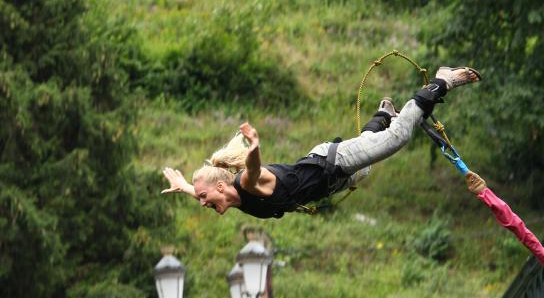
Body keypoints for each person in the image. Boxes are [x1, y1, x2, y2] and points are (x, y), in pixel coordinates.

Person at [162, 66, 481, 219]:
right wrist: (184, 186)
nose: (202, 202)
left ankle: (442, 80)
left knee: (397, 140)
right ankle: (383, 115)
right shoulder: (230, 195)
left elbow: (252, 167)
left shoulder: (246, 182)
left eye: (204, 197)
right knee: (367, 165)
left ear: (220, 187)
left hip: (332, 162)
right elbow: (204, 189)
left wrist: (255, 144)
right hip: (335, 179)